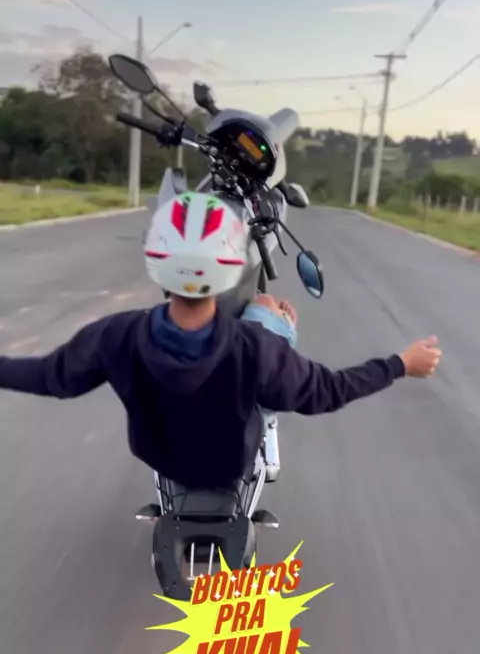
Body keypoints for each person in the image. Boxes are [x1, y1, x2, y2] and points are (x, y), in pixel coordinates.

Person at [0, 195, 442, 492]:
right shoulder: (256, 348)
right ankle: (278, 344)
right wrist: (401, 363)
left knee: (267, 324)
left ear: (156, 260)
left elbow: (50, 377)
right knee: (270, 314)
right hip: (230, 464)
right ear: (231, 267)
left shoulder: (116, 335)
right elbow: (327, 391)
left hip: (161, 456)